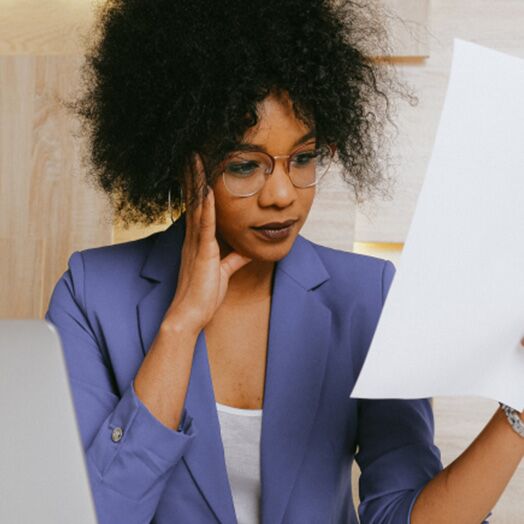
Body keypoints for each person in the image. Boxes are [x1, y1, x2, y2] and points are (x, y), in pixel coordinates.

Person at [45, 1, 524, 523]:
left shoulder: (366, 297)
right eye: (245, 165)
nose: (281, 195)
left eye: (303, 158)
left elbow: (402, 517)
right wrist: (181, 325)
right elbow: (88, 515)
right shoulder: (91, 296)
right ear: (183, 159)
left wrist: (518, 411)